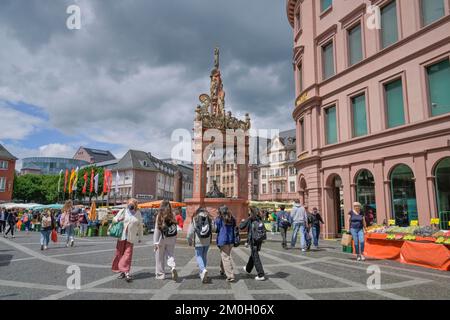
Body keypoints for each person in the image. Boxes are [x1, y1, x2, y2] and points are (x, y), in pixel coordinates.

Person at [111, 198, 143, 282]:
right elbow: (114, 219)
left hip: (131, 237)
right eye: (129, 204)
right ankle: (122, 272)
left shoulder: (138, 213)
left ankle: (127, 272)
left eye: (132, 204)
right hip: (121, 236)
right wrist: (118, 219)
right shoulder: (123, 211)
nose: (130, 205)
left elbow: (140, 226)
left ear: (135, 205)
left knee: (128, 255)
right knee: (119, 254)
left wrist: (140, 237)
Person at [154, 200, 178, 281]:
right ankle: (172, 267)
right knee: (170, 255)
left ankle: (160, 274)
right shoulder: (173, 214)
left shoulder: (159, 215)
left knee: (159, 258)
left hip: (161, 239)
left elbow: (157, 230)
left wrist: (155, 242)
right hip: (171, 238)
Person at [187, 207, 213, 283]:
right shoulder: (209, 218)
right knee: (204, 256)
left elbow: (190, 232)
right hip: (207, 240)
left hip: (198, 241)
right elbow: (214, 228)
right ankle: (202, 272)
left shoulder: (195, 218)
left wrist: (189, 240)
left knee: (198, 256)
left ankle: (203, 269)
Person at [240, 207, 266, 281]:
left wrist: (243, 220)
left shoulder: (250, 219)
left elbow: (241, 227)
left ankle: (261, 274)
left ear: (252, 213)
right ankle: (248, 268)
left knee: (255, 257)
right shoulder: (259, 219)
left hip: (254, 241)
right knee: (253, 255)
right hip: (259, 240)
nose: (248, 212)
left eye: (249, 211)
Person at [215, 205, 237, 282]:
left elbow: (216, 229)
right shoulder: (232, 218)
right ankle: (222, 269)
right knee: (225, 255)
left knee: (225, 257)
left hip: (223, 240)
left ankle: (230, 275)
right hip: (231, 239)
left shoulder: (219, 219)